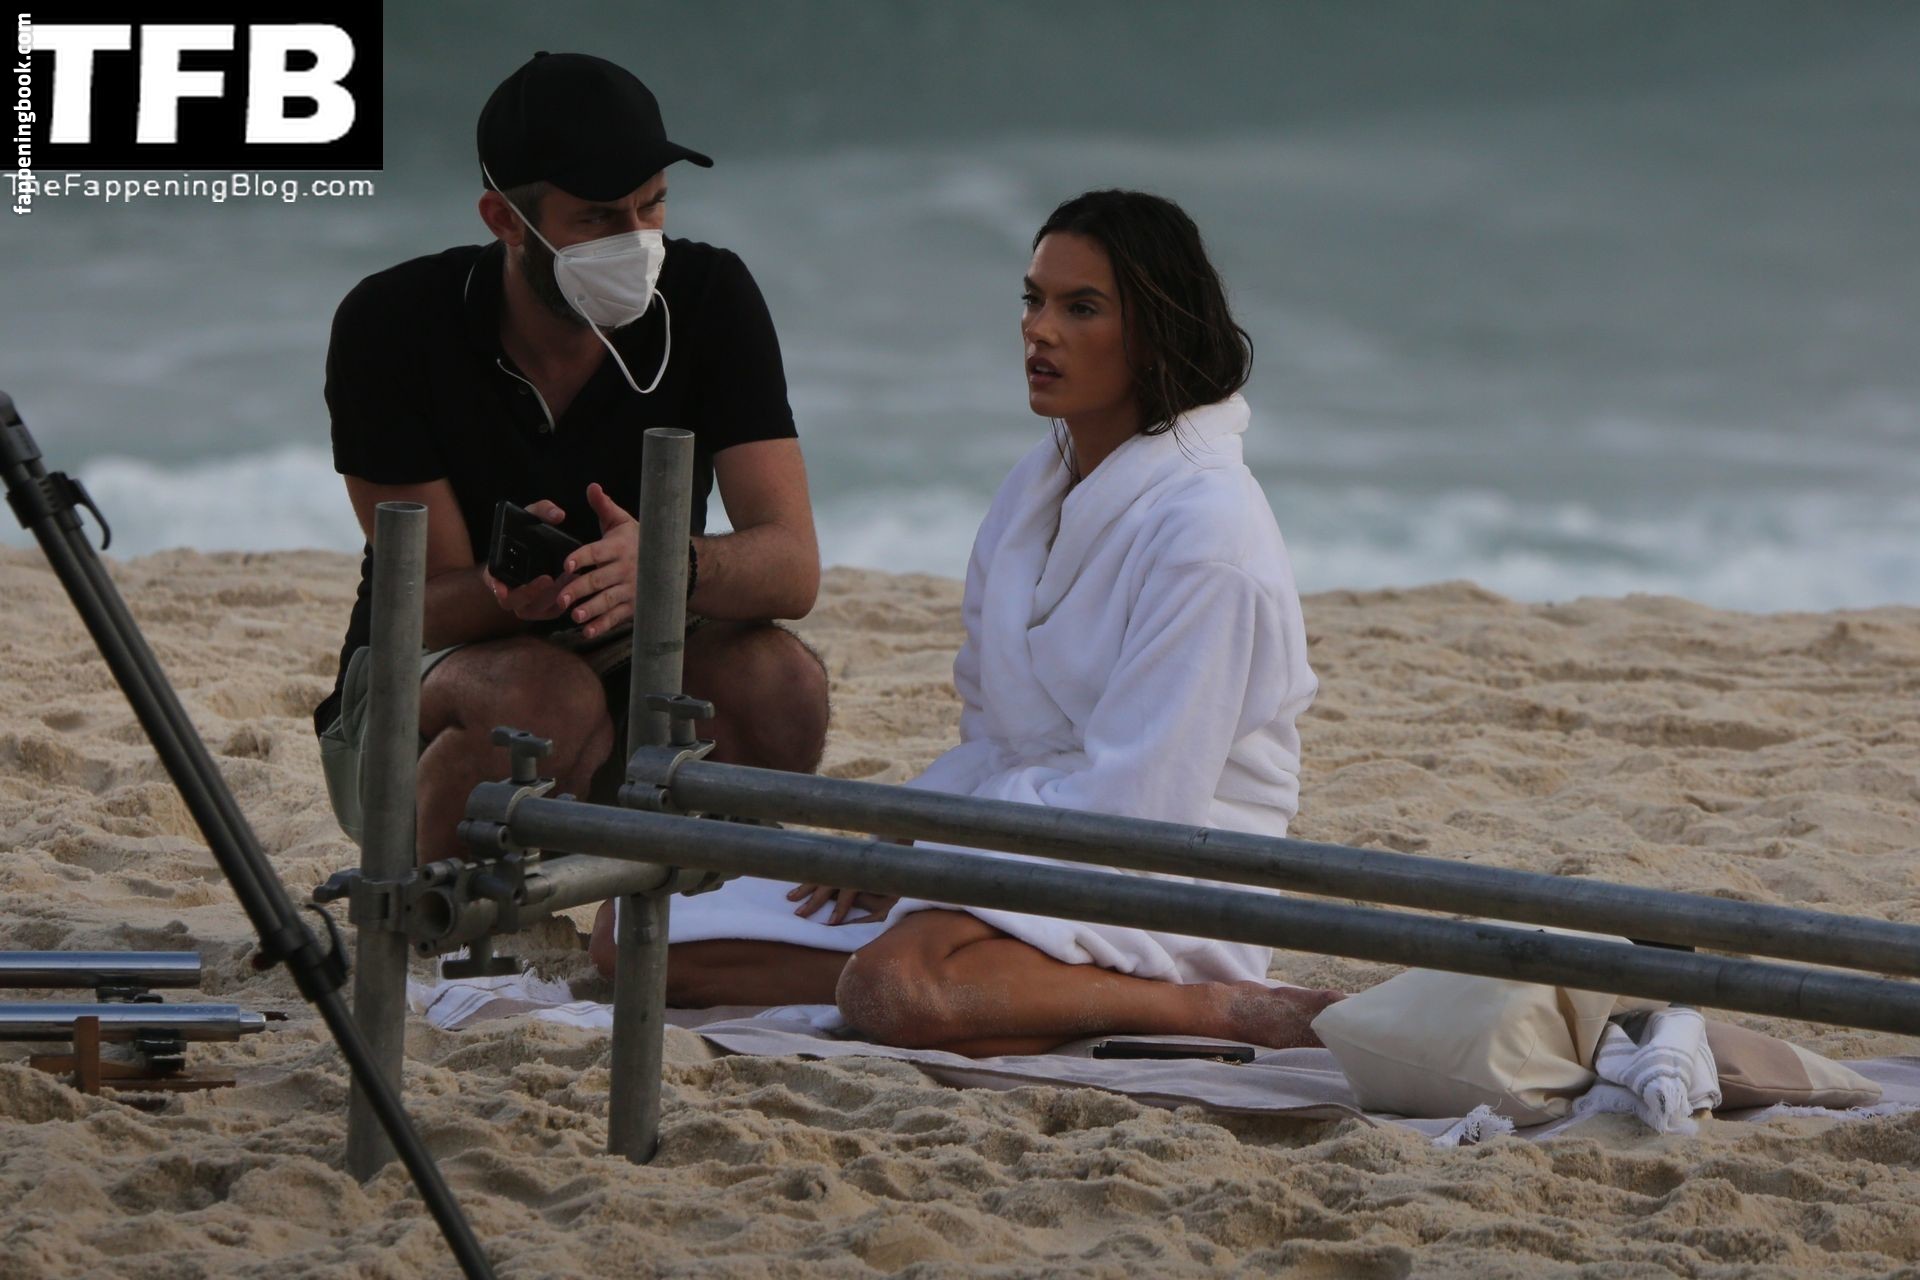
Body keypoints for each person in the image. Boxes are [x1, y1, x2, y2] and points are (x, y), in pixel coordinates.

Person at [650, 189, 1343, 1054]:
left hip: (1154, 875)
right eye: (1033, 299)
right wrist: (910, 831)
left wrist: (944, 854)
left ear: (1158, 329)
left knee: (895, 988)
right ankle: (989, 986)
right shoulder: (1036, 487)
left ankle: (1209, 1005)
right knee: (645, 942)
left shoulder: (1210, 535)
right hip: (1008, 833)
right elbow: (992, 730)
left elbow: (1142, 811)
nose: (1038, 330)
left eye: (1080, 308)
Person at [313, 52, 829, 928]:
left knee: (782, 683)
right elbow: (421, 606)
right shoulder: (394, 323)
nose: (636, 239)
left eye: (652, 205)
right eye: (597, 217)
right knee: (543, 696)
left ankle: (699, 917)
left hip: (639, 648)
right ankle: (440, 929)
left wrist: (668, 566)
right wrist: (506, 593)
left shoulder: (710, 297)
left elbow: (792, 567)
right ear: (504, 219)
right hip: (438, 681)